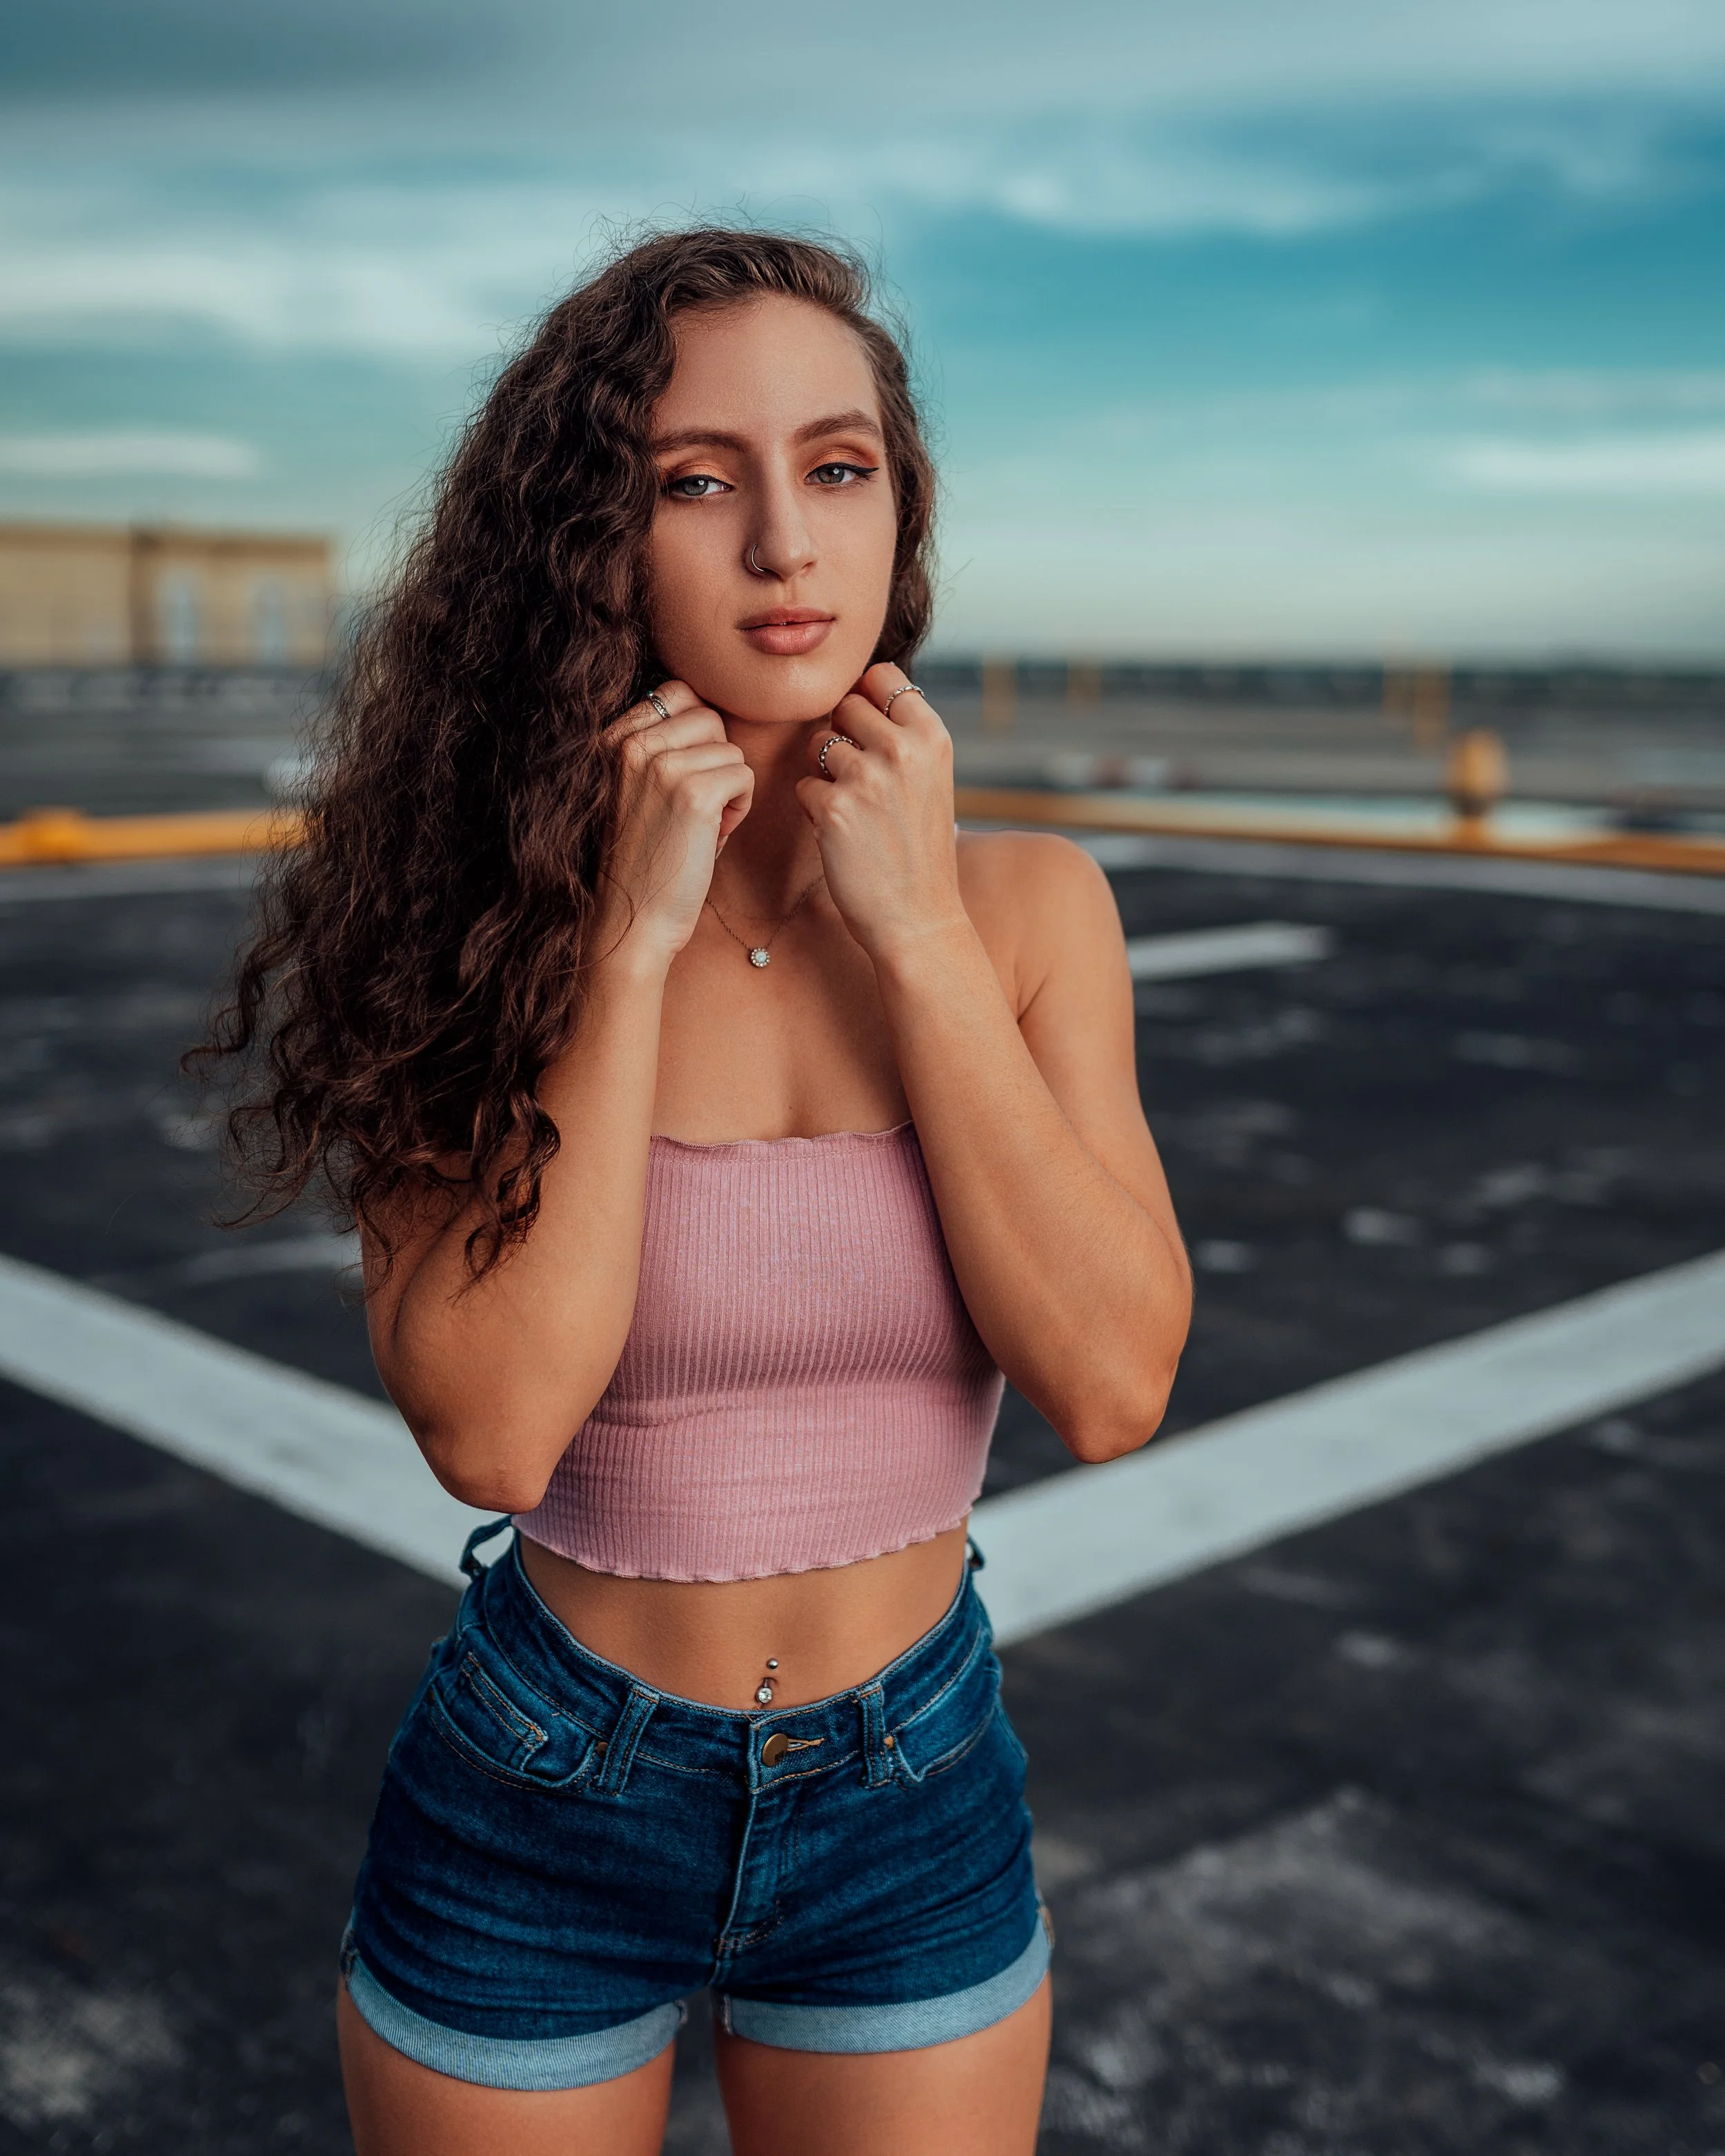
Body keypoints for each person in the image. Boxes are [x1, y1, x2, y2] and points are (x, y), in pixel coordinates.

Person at [203, 226, 1190, 2156]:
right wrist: (628, 947)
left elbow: (1110, 1379)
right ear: (591, 541)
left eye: (835, 468)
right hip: (544, 1783)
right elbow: (490, 1428)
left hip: (909, 1776)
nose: (781, 547)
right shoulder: (475, 927)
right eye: (691, 481)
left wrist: (910, 931)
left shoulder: (1030, 909)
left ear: (897, 509)